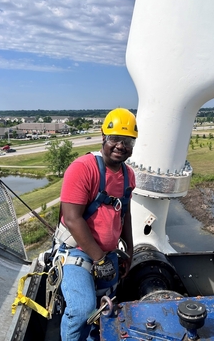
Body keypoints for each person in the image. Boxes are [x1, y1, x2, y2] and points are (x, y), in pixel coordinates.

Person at [55, 108, 137, 341]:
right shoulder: (83, 168)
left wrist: (128, 252)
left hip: (108, 254)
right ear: (103, 137)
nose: (121, 145)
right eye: (115, 139)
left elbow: (126, 214)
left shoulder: (128, 175)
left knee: (103, 311)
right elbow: (72, 218)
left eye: (128, 141)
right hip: (77, 251)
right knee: (82, 310)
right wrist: (99, 259)